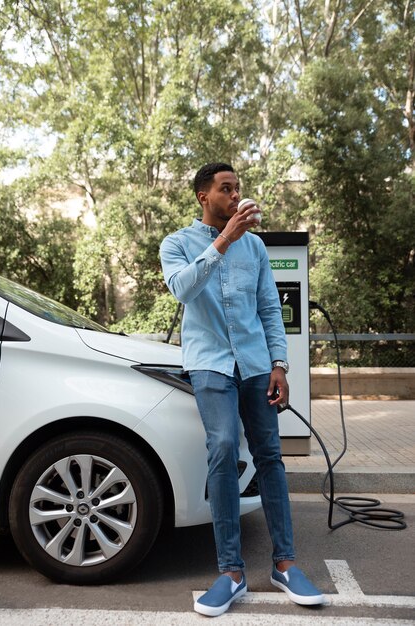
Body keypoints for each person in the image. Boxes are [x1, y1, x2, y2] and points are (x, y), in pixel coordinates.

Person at [160, 162, 325, 617]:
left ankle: (285, 564)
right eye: (226, 189)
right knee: (224, 448)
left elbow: (270, 308)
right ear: (203, 197)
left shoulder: (255, 247)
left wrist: (279, 364)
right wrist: (223, 240)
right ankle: (231, 571)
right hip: (210, 363)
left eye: (238, 189)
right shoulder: (177, 243)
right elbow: (182, 290)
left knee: (270, 454)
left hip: (255, 364)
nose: (235, 196)